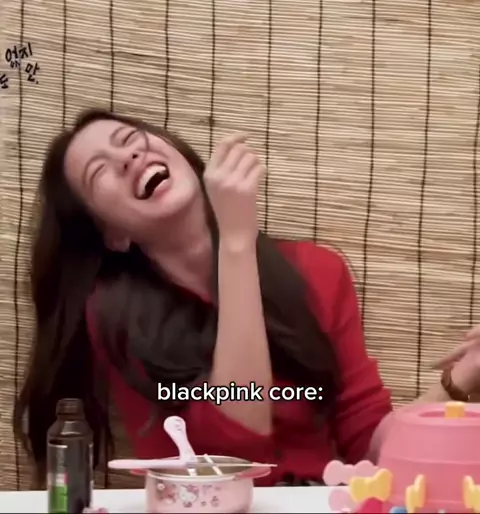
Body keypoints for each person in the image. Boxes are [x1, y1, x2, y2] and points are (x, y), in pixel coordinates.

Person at [13, 108, 480, 488]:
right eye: (99, 171)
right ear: (113, 235)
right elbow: (236, 451)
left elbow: (369, 446)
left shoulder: (317, 272)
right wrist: (236, 240)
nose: (129, 156)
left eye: (130, 138)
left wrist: (464, 375)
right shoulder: (115, 318)